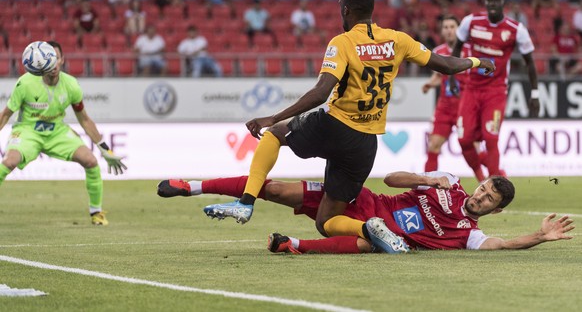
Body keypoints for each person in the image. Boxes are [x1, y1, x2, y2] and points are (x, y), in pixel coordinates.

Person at [200, 0, 495, 253]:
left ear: (346, 10)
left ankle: (246, 203)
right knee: (327, 220)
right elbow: (445, 64)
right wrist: (479, 61)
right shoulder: (398, 39)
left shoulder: (342, 42)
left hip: (335, 124)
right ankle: (368, 228)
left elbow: (321, 92)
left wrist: (273, 117)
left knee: (276, 133)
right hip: (365, 143)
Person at [157, 171, 574, 253]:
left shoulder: (470, 234)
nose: (480, 197)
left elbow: (503, 243)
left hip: (376, 233)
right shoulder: (448, 182)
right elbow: (392, 180)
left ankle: (293, 245)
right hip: (363, 198)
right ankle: (191, 185)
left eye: (488, 201)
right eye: (483, 189)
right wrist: (426, 180)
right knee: (279, 189)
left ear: (494, 211)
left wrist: (538, 236)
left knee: (365, 241)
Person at [0, 41, 126, 225]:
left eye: (56, 58)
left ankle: (96, 212)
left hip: (57, 131)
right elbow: (5, 115)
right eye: (48, 59)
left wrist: (105, 149)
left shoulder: (72, 85)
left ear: (61, 60)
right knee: (9, 161)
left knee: (90, 161)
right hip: (28, 130)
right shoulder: (25, 83)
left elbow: (84, 119)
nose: (53, 63)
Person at [449, 0, 539, 180]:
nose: (492, 4)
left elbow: (530, 63)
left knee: (491, 138)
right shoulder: (471, 22)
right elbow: (456, 48)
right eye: (489, 0)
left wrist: (535, 93)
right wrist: (451, 77)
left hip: (495, 90)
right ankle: (483, 179)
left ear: (503, 3)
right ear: (486, 2)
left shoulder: (516, 29)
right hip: (471, 88)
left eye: (496, 0)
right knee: (464, 140)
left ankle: (495, 186)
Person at [422, 16, 471, 172]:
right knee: (433, 145)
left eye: (452, 27)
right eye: (446, 27)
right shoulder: (438, 52)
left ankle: (491, 178)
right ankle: (427, 188)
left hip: (465, 106)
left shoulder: (469, 50)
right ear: (442, 31)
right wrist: (429, 84)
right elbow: (438, 77)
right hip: (445, 106)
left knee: (473, 147)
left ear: (458, 29)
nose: (449, 30)